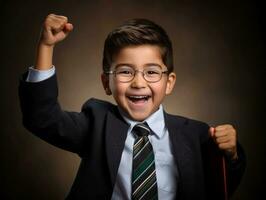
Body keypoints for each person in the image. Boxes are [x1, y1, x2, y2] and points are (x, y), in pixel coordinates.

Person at [19, 14, 246, 200]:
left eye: (152, 72)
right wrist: (46, 46)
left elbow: (219, 189)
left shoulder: (197, 135)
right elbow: (42, 119)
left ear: (169, 83)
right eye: (126, 71)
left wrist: (231, 155)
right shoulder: (96, 124)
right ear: (106, 83)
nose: (138, 82)